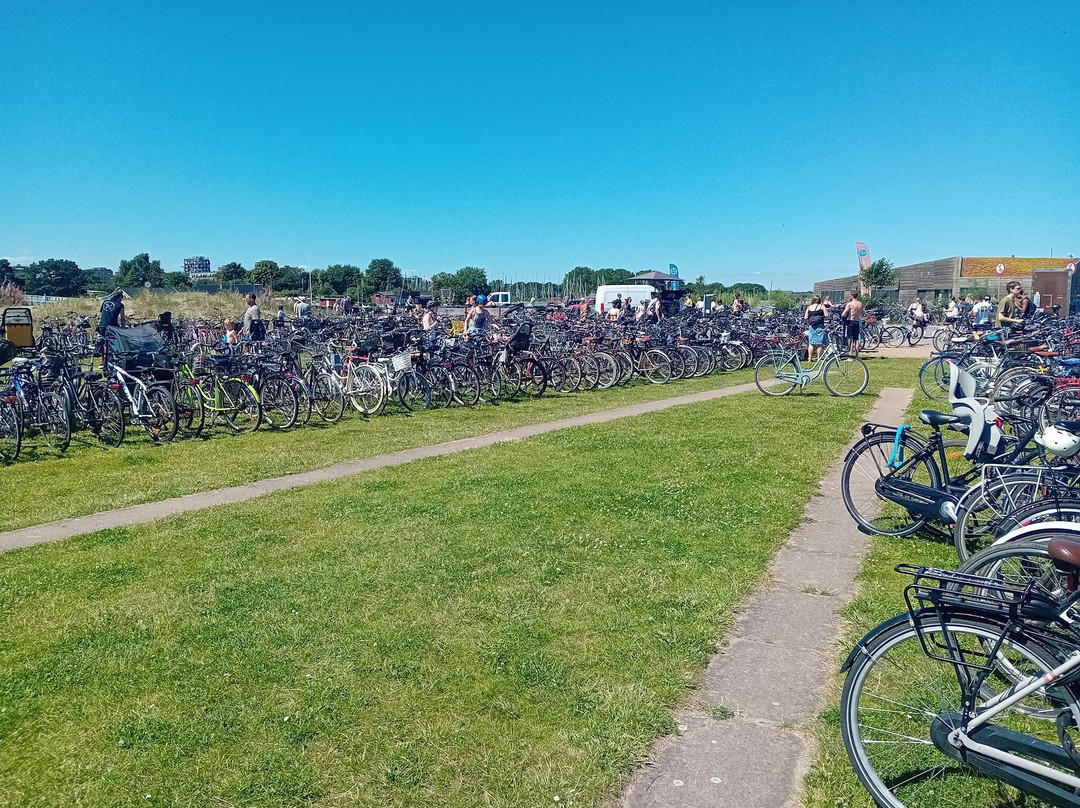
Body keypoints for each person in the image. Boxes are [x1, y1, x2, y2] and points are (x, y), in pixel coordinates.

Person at [804, 295, 828, 362]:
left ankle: (810, 358)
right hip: (820, 326)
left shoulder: (809, 307)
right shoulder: (821, 306)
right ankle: (819, 358)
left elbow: (805, 317)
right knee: (819, 343)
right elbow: (826, 315)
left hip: (812, 326)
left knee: (811, 343)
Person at [841, 291, 864, 357]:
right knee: (856, 339)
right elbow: (862, 311)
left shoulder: (850, 304)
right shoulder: (860, 304)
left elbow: (843, 314)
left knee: (850, 338)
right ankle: (857, 355)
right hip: (857, 321)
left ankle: (850, 354)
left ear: (852, 296)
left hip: (850, 321)